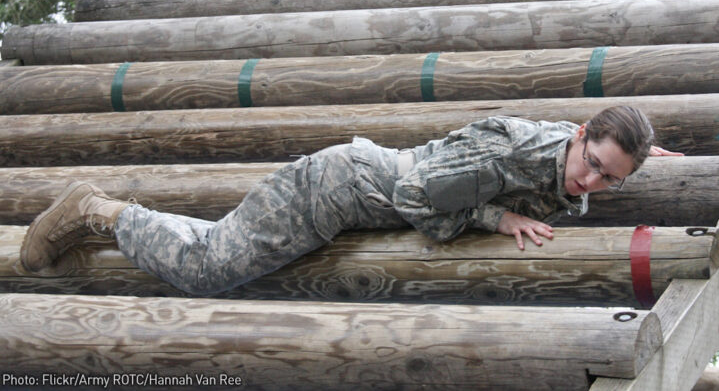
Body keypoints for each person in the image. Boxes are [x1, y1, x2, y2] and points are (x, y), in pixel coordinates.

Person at [20, 106, 680, 296]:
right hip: (339, 188)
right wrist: (493, 216)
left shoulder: (568, 151)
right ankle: (95, 210)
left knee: (224, 243)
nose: (590, 184)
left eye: (610, 179)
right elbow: (416, 195)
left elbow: (570, 164)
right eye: (591, 164)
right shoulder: (511, 153)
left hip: (355, 189)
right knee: (207, 270)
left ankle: (118, 221)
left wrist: (648, 161)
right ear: (577, 134)